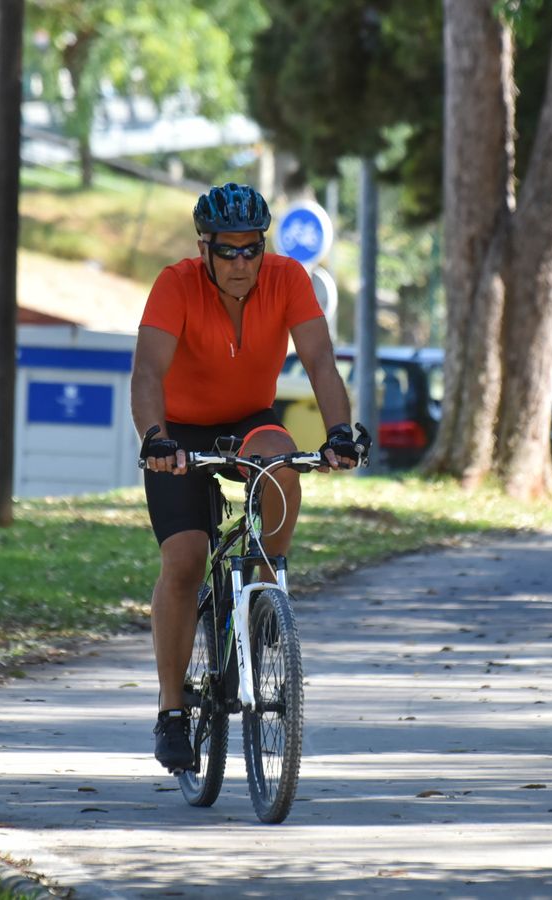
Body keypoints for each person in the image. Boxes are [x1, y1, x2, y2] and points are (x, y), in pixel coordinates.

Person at [131, 182, 368, 772]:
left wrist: (340, 433)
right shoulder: (175, 284)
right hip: (178, 433)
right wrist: (155, 439)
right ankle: (171, 710)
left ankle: (263, 596)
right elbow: (147, 371)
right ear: (204, 249)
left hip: (247, 422)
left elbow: (320, 361)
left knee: (283, 465)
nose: (241, 262)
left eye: (251, 249)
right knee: (185, 559)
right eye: (227, 250)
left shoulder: (288, 279)